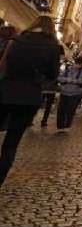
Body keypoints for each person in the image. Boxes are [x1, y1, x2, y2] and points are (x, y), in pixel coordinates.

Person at [0, 16, 62, 188]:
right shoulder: (53, 47)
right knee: (12, 142)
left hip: (5, 91)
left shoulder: (16, 40)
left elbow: (3, 64)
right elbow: (52, 75)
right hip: (29, 96)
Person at [56, 56, 82, 132]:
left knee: (70, 110)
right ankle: (60, 126)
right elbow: (59, 77)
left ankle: (67, 125)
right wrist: (68, 79)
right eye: (76, 63)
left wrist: (77, 81)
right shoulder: (68, 69)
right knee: (61, 110)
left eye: (79, 64)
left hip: (75, 93)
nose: (77, 65)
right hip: (64, 92)